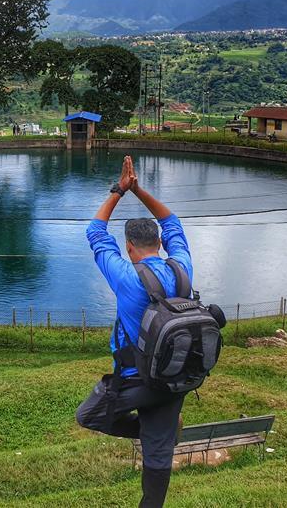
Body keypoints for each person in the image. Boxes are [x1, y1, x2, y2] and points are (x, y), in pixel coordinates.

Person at [76, 155, 193, 507]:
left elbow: (95, 232)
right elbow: (172, 222)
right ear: (159, 244)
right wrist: (140, 190)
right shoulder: (182, 267)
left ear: (129, 248)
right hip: (176, 377)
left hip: (136, 381)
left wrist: (120, 190)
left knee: (90, 415)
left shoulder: (127, 277)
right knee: (158, 455)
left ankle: (159, 434)